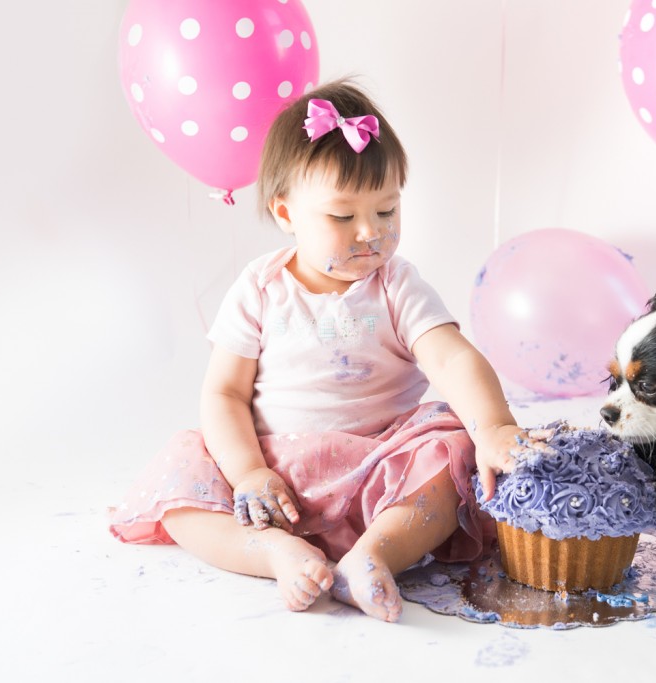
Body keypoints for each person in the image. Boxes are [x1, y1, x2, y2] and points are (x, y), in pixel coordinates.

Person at [109, 79, 523, 623]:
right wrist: (249, 471)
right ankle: (275, 552)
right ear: (286, 215)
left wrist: (492, 427)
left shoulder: (396, 285)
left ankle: (373, 554)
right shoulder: (260, 287)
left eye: (387, 210)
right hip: (275, 475)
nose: (371, 233)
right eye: (343, 216)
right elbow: (225, 392)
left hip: (380, 466)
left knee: (453, 451)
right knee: (183, 483)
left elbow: (451, 357)